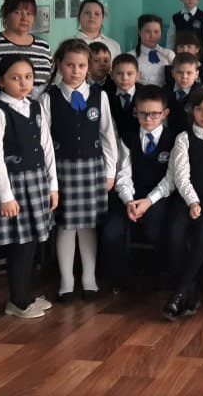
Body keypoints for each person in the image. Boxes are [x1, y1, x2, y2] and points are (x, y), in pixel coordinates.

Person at [41, 39, 116, 302]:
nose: (75, 71)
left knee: (88, 226)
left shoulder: (99, 96)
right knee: (65, 226)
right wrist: (50, 179)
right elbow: (44, 142)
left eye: (81, 65)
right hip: (62, 170)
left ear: (88, 67)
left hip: (92, 169)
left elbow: (108, 135)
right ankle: (66, 281)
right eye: (70, 65)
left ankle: (89, 279)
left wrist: (110, 171)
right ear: (59, 65)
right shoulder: (49, 98)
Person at [0, 55, 58, 319]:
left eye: (28, 77)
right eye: (15, 78)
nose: (23, 83)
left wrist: (53, 185)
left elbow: (46, 147)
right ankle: (17, 300)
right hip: (14, 185)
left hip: (37, 180)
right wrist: (6, 196)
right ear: (1, 82)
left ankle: (24, 295)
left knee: (31, 243)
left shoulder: (35, 106)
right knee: (20, 244)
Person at [162, 88, 203, 320]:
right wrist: (192, 202)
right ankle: (189, 291)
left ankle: (179, 294)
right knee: (174, 233)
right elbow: (181, 176)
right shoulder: (183, 137)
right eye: (199, 109)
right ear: (192, 110)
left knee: (202, 234)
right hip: (186, 197)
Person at [103, 85, 176, 293]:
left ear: (165, 113)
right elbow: (123, 175)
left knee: (155, 228)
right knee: (111, 231)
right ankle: (125, 278)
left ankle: (158, 275)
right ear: (136, 112)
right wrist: (129, 201)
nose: (148, 118)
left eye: (154, 114)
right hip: (130, 195)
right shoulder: (128, 138)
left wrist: (149, 201)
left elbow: (170, 179)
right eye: (143, 113)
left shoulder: (173, 139)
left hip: (159, 196)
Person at [0, 0, 52, 96]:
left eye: (29, 14)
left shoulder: (43, 47)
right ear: (5, 15)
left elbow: (51, 81)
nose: (24, 18)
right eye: (17, 12)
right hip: (3, 105)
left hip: (40, 105)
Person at [130, 14, 174, 86]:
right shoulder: (131, 56)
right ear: (139, 32)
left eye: (156, 32)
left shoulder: (169, 54)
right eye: (148, 31)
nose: (152, 36)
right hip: (140, 92)